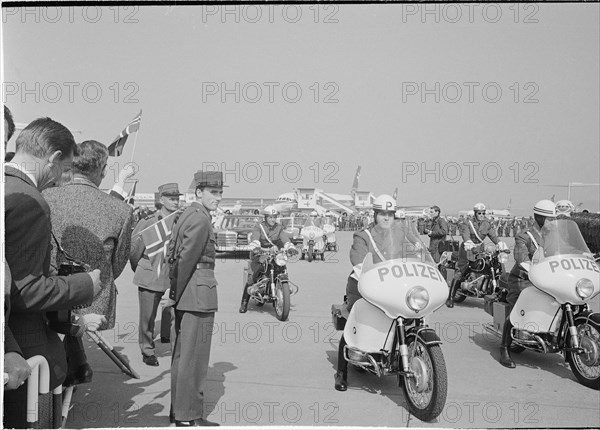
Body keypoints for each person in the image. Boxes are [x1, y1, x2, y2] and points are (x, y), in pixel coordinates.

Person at [4, 118, 102, 428]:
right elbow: (24, 291)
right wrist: (84, 284)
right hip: (27, 355)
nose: (62, 178)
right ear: (53, 158)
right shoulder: (30, 201)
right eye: (65, 167)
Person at [43, 140, 133, 385]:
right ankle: (76, 366)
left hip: (47, 294)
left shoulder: (46, 196)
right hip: (94, 299)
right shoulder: (121, 210)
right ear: (102, 171)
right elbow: (118, 263)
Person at [335, 194, 421, 392]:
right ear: (374, 214)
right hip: (363, 284)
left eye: (390, 214)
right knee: (357, 319)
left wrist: (421, 259)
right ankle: (341, 372)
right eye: (382, 213)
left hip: (395, 284)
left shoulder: (401, 234)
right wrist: (363, 270)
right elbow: (357, 259)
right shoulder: (363, 235)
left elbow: (415, 254)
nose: (386, 218)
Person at [168, 171, 225, 427]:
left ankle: (179, 411)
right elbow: (186, 259)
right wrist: (174, 295)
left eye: (221, 193)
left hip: (189, 294)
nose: (219, 198)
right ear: (199, 192)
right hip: (196, 295)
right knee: (194, 360)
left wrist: (174, 295)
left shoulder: (188, 214)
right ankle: (187, 416)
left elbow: (175, 254)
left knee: (183, 358)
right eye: (214, 192)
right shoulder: (201, 218)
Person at [130, 183, 183, 366]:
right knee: (148, 315)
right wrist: (141, 268)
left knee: (172, 311)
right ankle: (147, 349)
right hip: (150, 272)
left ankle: (168, 340)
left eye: (177, 199)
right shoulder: (149, 221)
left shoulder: (179, 222)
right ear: (161, 200)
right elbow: (134, 248)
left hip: (170, 273)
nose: (176, 202)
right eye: (171, 198)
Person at [499, 200, 556, 368]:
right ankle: (504, 349)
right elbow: (520, 257)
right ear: (539, 218)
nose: (552, 222)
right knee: (517, 312)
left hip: (547, 279)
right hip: (523, 279)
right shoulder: (524, 236)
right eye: (550, 219)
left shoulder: (554, 237)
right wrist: (529, 267)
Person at [445, 202, 506, 308]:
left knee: (486, 266)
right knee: (461, 271)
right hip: (467, 249)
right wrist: (468, 243)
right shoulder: (467, 223)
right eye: (479, 213)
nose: (481, 215)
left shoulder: (487, 223)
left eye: (483, 213)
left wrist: (500, 244)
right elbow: (465, 234)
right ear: (475, 213)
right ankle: (450, 298)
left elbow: (493, 235)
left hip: (480, 249)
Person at [239, 205, 297, 313]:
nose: (273, 219)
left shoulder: (278, 227)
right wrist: (255, 247)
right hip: (260, 253)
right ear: (265, 217)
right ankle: (244, 303)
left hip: (274, 253)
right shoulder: (259, 227)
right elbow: (255, 237)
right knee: (252, 278)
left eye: (274, 217)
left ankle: (284, 287)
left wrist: (290, 247)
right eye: (270, 217)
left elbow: (284, 238)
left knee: (282, 267)